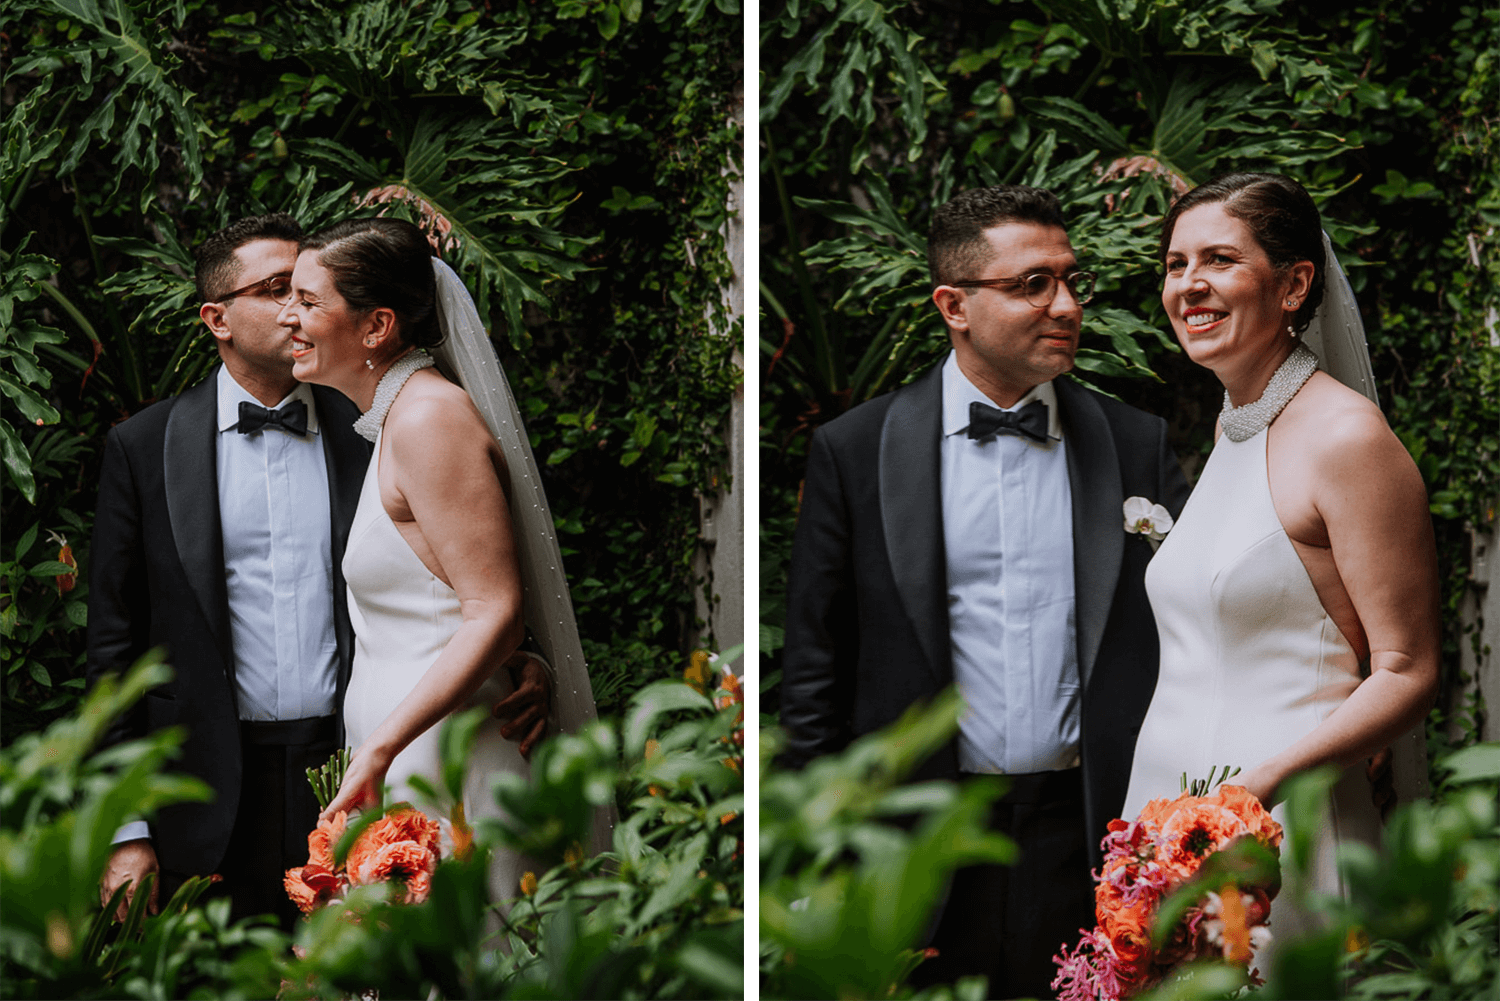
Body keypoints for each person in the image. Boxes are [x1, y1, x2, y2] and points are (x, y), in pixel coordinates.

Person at [780, 185, 1192, 998]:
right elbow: (814, 675)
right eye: (1032, 284)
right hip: (917, 844)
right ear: (954, 305)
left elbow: (1192, 634)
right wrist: (820, 858)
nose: (1066, 305)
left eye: (1070, 280)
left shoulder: (1134, 444)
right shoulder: (854, 452)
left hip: (1091, 837)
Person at [1120, 172, 1440, 957]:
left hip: (1280, 824)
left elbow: (1407, 669)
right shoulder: (1234, 426)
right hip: (1168, 814)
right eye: (1175, 263)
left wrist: (1258, 788)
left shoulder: (1345, 438)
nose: (1189, 283)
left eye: (1219, 259)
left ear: (1295, 284)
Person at [276, 217, 610, 906]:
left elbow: (496, 609)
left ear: (376, 327)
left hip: (448, 756)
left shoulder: (429, 419)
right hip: (406, 751)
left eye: (308, 301)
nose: (288, 317)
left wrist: (381, 748)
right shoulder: (394, 419)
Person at [87, 214, 372, 931]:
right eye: (276, 289)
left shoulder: (372, 430)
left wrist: (519, 661)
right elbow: (113, 652)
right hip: (199, 795)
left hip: (353, 775)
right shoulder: (142, 448)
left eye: (306, 289)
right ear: (217, 318)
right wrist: (125, 829)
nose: (296, 309)